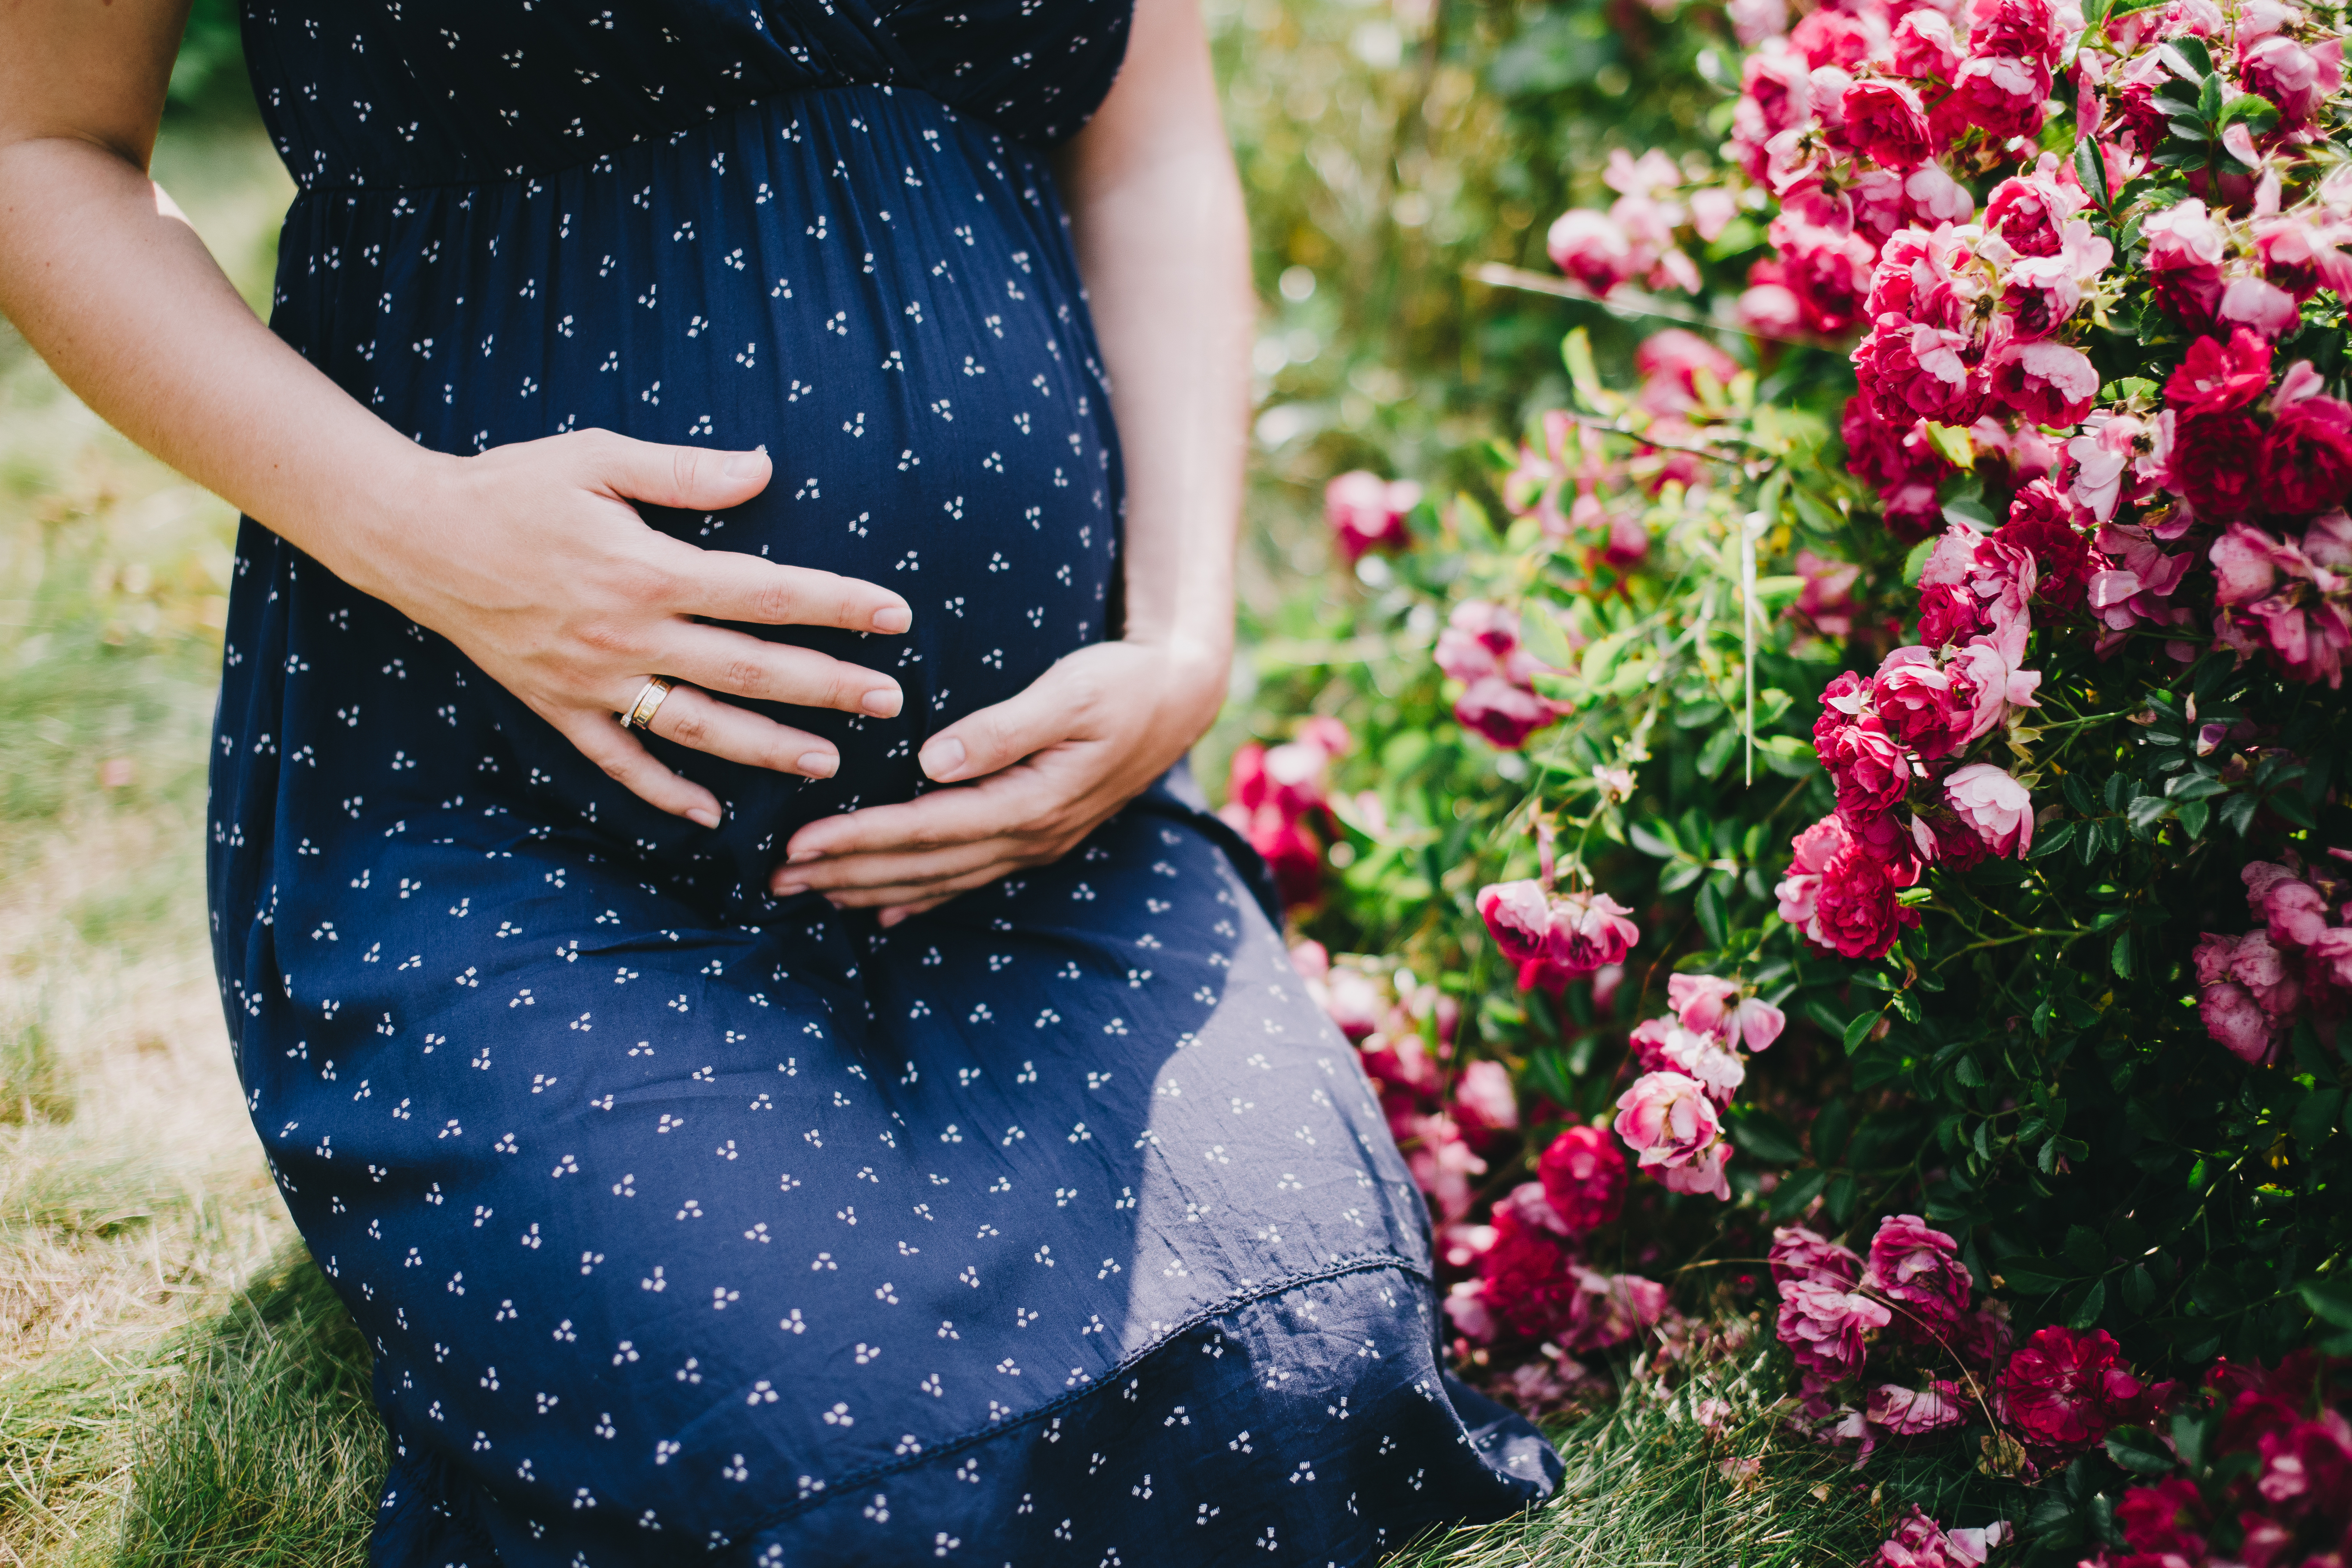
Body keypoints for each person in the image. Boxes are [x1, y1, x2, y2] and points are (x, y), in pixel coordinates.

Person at [0, 2, 1562, 1561]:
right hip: (505, 810)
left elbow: (1148, 145)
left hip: (1043, 835)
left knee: (1306, 1359)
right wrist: (421, 530)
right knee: (848, 1478)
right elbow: (39, 148)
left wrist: (1184, 637)